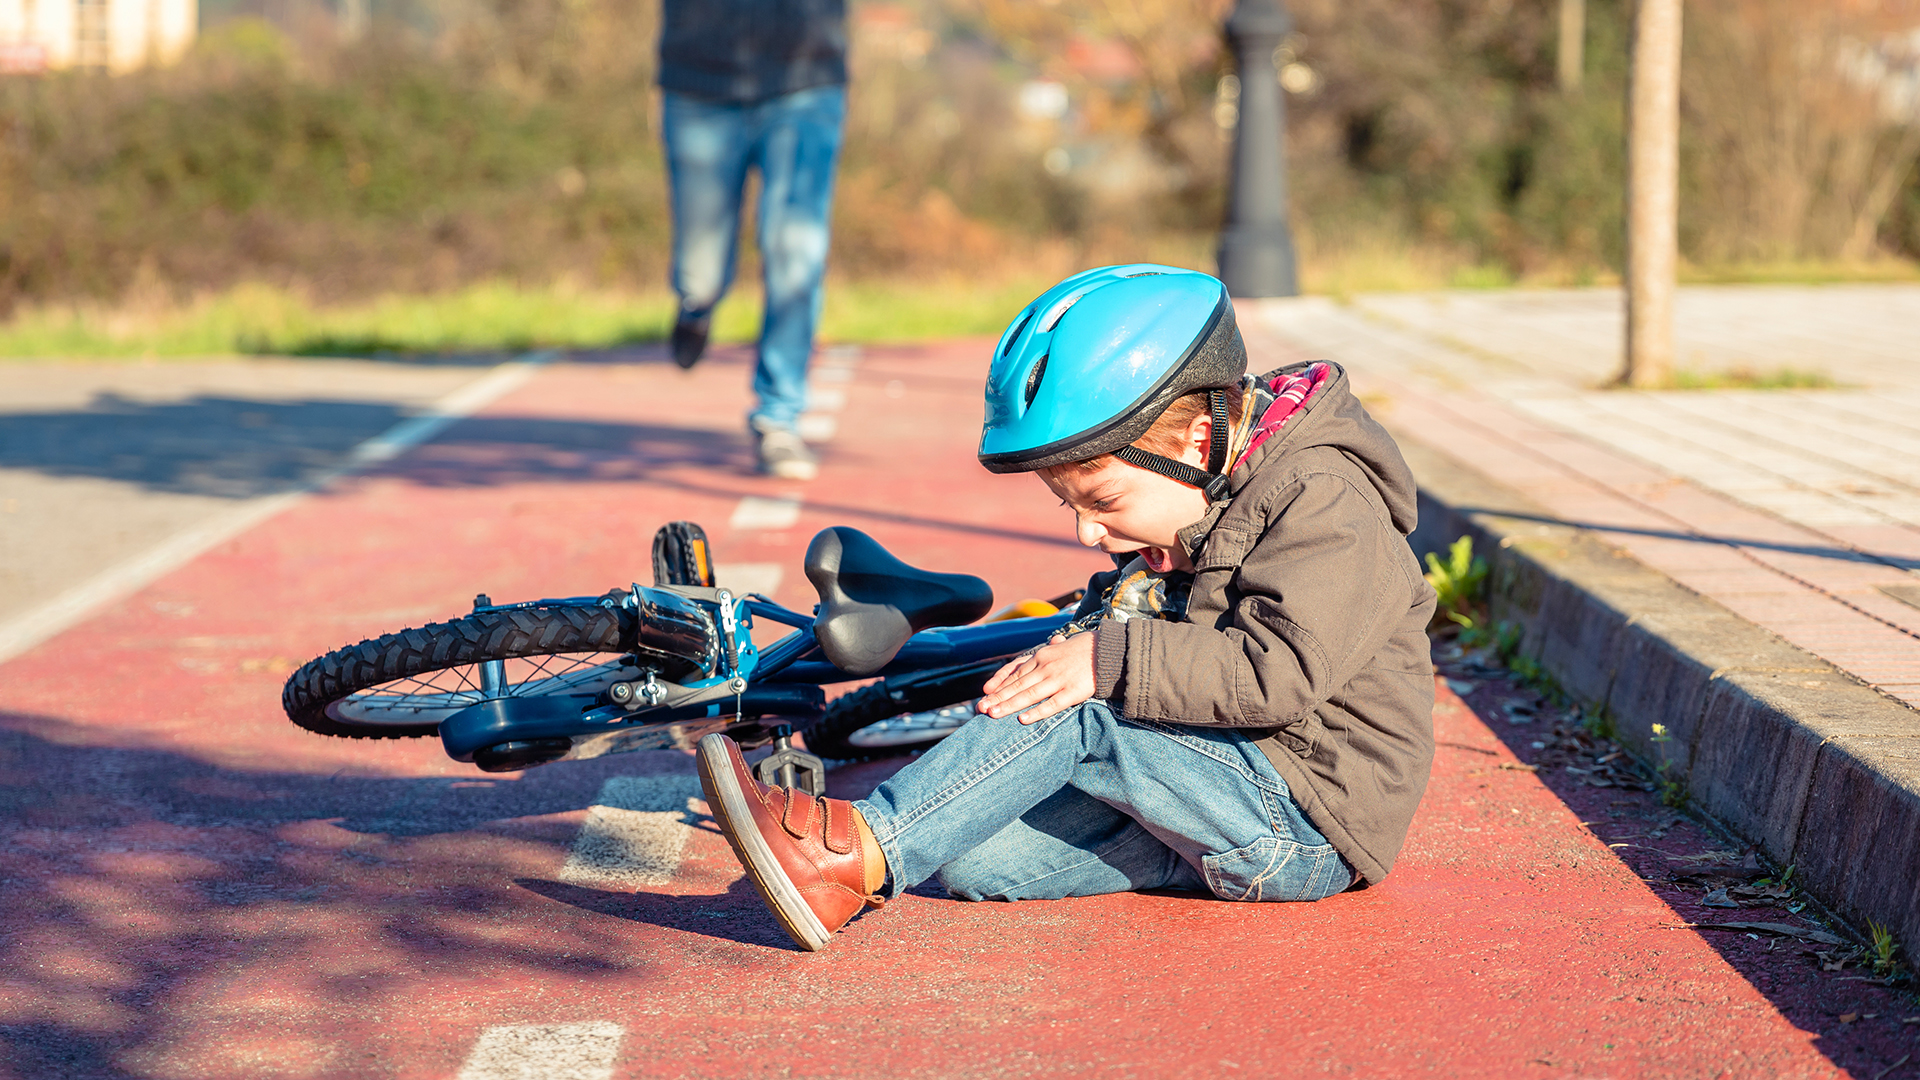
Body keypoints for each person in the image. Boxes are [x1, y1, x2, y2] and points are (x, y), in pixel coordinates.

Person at [696, 265, 1438, 951]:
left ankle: (851, 857)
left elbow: (1275, 673)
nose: (1087, 530)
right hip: (1228, 783)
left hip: (1307, 813)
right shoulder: (1201, 497)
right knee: (971, 858)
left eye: (1103, 501)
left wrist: (1102, 657)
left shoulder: (1326, 504)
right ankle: (937, 841)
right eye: (1069, 506)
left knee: (1084, 703)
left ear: (1201, 440)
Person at [657, 0, 848, 480]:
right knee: (699, 273)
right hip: (699, 81)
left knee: (796, 251)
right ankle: (696, 306)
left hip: (806, 79)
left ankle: (778, 417)